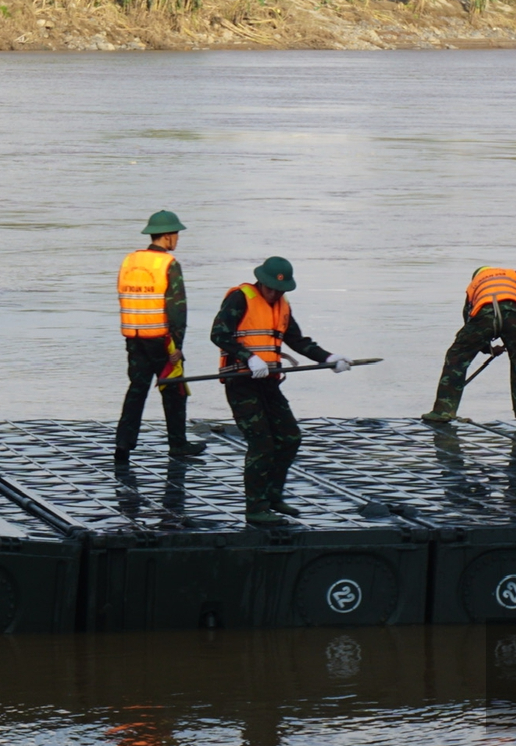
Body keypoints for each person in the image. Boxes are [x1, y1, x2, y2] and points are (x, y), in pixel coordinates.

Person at [210, 257, 351, 526]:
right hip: (241, 381)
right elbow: (219, 334)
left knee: (289, 437)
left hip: (268, 381)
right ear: (261, 282)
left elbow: (296, 340)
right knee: (261, 443)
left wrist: (328, 358)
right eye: (270, 288)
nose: (274, 294)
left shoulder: (282, 305)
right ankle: (256, 508)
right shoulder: (240, 299)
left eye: (279, 290)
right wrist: (247, 357)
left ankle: (273, 496)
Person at [115, 211, 204, 463]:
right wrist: (178, 346)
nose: (177, 239)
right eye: (176, 234)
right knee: (174, 390)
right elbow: (177, 308)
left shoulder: (129, 261)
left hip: (134, 337)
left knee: (137, 390)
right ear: (167, 236)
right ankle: (178, 444)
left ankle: (123, 444)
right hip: (163, 340)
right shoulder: (169, 264)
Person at [421, 266, 516, 425]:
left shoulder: (475, 285)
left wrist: (486, 348)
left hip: (485, 317)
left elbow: (470, 325)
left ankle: (443, 411)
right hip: (514, 318)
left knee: (456, 357)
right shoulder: (513, 276)